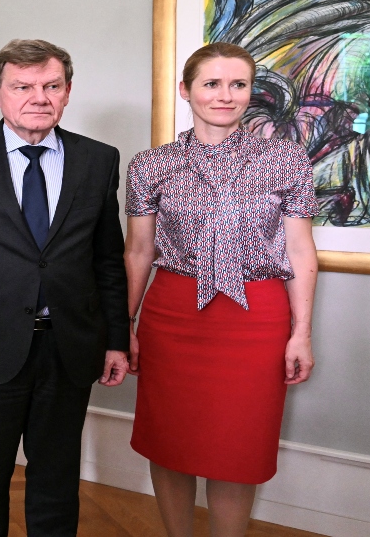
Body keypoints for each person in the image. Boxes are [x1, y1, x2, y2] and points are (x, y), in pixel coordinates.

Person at [0, 39, 129, 537]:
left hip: (70, 346)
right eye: (23, 86)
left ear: (68, 92)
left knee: (57, 480)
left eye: (51, 85)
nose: (39, 97)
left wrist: (116, 337)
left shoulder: (98, 160)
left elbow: (107, 261)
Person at [124, 42, 318, 537]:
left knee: (238, 450)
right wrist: (123, 327)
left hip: (257, 320)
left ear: (251, 93)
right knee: (170, 442)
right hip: (171, 317)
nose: (225, 96)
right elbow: (139, 252)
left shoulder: (286, 158)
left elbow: (299, 252)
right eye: (212, 84)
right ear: (186, 91)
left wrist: (302, 334)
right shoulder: (152, 164)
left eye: (238, 84)